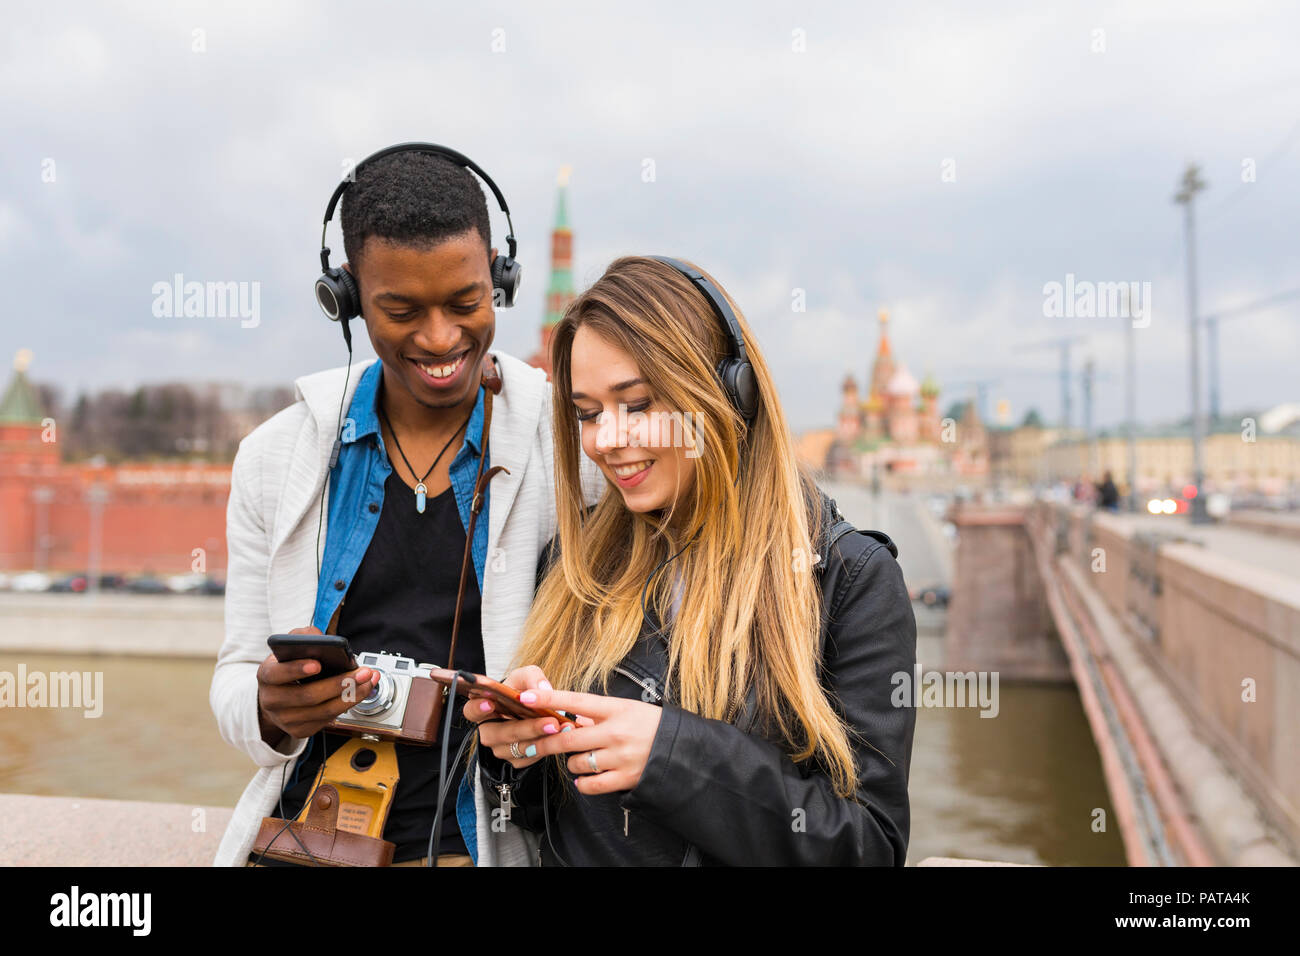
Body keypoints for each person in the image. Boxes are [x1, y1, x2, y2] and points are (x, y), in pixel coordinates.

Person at [209, 146, 600, 867]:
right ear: (348, 297)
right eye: (401, 310)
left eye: (466, 303)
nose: (441, 338)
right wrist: (268, 710)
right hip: (302, 842)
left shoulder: (572, 447)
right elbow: (235, 677)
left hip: (485, 845)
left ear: (500, 280)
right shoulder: (273, 458)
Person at [463, 256, 917, 865]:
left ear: (728, 393)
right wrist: (517, 748)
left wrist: (673, 757)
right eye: (587, 413)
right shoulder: (572, 565)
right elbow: (548, 819)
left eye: (637, 404)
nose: (606, 440)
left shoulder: (849, 580)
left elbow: (870, 846)